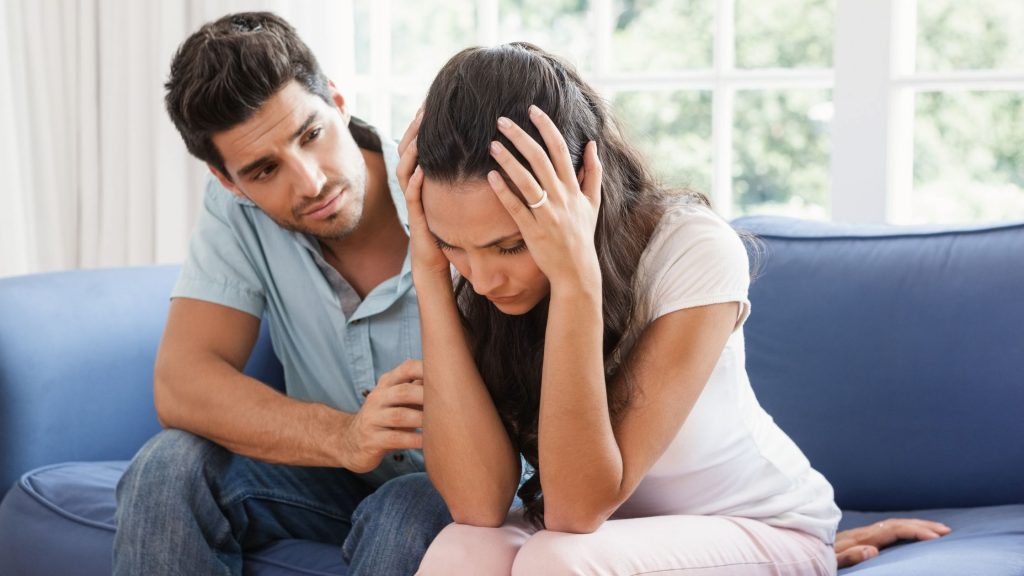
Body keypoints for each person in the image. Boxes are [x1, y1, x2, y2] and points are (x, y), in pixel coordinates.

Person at [398, 42, 951, 575]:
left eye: (511, 245)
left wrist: (575, 280)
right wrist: (429, 272)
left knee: (554, 561)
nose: (483, 277)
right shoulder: (468, 272)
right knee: (462, 551)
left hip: (755, 525)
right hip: (611, 546)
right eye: (453, 245)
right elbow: (477, 506)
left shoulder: (693, 249)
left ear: (582, 191)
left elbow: (573, 511)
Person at [112, 12, 452, 576]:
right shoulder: (236, 211)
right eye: (265, 170)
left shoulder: (447, 191)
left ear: (338, 102)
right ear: (230, 182)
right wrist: (344, 436)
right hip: (333, 481)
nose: (310, 182)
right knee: (168, 465)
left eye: (311, 135)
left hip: (465, 489)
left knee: (407, 504)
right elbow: (182, 383)